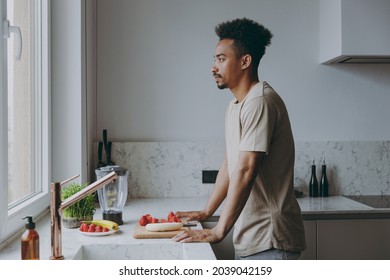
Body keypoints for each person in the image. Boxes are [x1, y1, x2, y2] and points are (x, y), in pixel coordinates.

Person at [172, 18, 306, 260]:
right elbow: (231, 163)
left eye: (221, 59)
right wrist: (207, 211)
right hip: (251, 239)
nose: (214, 67)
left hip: (270, 239)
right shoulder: (236, 105)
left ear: (245, 61)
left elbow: (245, 169)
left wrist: (219, 231)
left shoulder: (260, 101)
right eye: (215, 59)